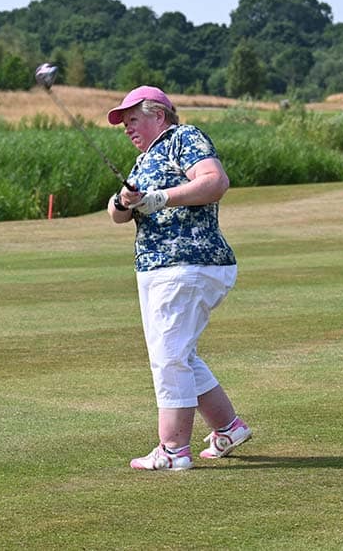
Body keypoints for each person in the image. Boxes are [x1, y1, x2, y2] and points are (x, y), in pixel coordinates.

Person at [106, 85, 251, 471]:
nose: (127, 128)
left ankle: (172, 450)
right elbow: (119, 216)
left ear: (158, 115)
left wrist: (162, 198)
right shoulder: (143, 161)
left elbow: (215, 182)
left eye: (133, 119)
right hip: (161, 268)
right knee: (180, 354)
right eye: (123, 122)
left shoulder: (182, 137)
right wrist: (123, 202)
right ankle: (229, 427)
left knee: (169, 357)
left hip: (186, 262)